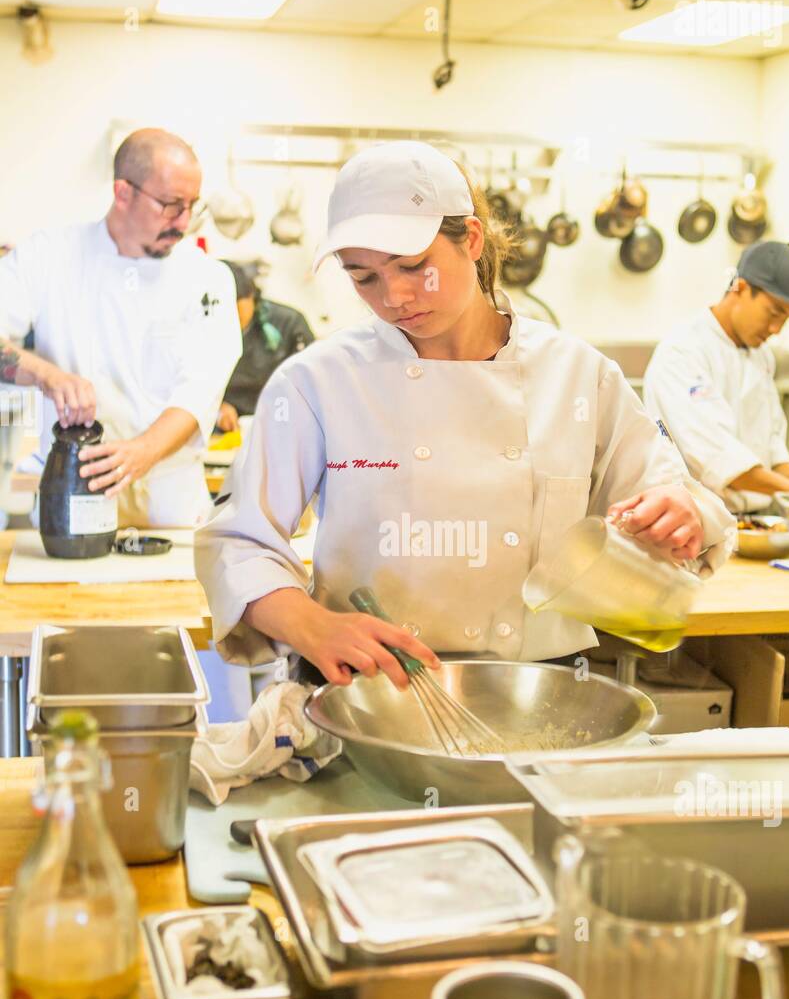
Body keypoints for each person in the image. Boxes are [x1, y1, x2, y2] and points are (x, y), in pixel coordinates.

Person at [196, 141, 734, 690]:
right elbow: (238, 541)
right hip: (367, 688)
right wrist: (311, 624)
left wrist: (682, 512)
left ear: (471, 239)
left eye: (413, 266)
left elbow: (671, 495)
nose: (395, 296)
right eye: (364, 277)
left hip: (535, 691)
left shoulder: (576, 375)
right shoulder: (318, 381)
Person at [0, 128, 241, 527]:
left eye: (192, 206)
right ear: (123, 192)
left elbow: (201, 388)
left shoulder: (209, 280)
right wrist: (47, 375)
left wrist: (143, 451)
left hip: (171, 504)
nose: (183, 223)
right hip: (71, 494)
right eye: (170, 205)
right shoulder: (49, 256)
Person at [642, 242, 789, 513]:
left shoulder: (761, 356)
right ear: (739, 287)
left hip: (751, 520)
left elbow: (773, 451)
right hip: (691, 524)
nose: (776, 329)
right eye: (774, 312)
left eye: (787, 318)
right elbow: (723, 463)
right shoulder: (682, 352)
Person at [215, 262, 314, 432]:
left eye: (235, 309)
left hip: (283, 424)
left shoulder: (289, 323)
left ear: (251, 296)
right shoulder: (200, 328)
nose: (229, 319)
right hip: (226, 430)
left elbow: (312, 384)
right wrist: (217, 407)